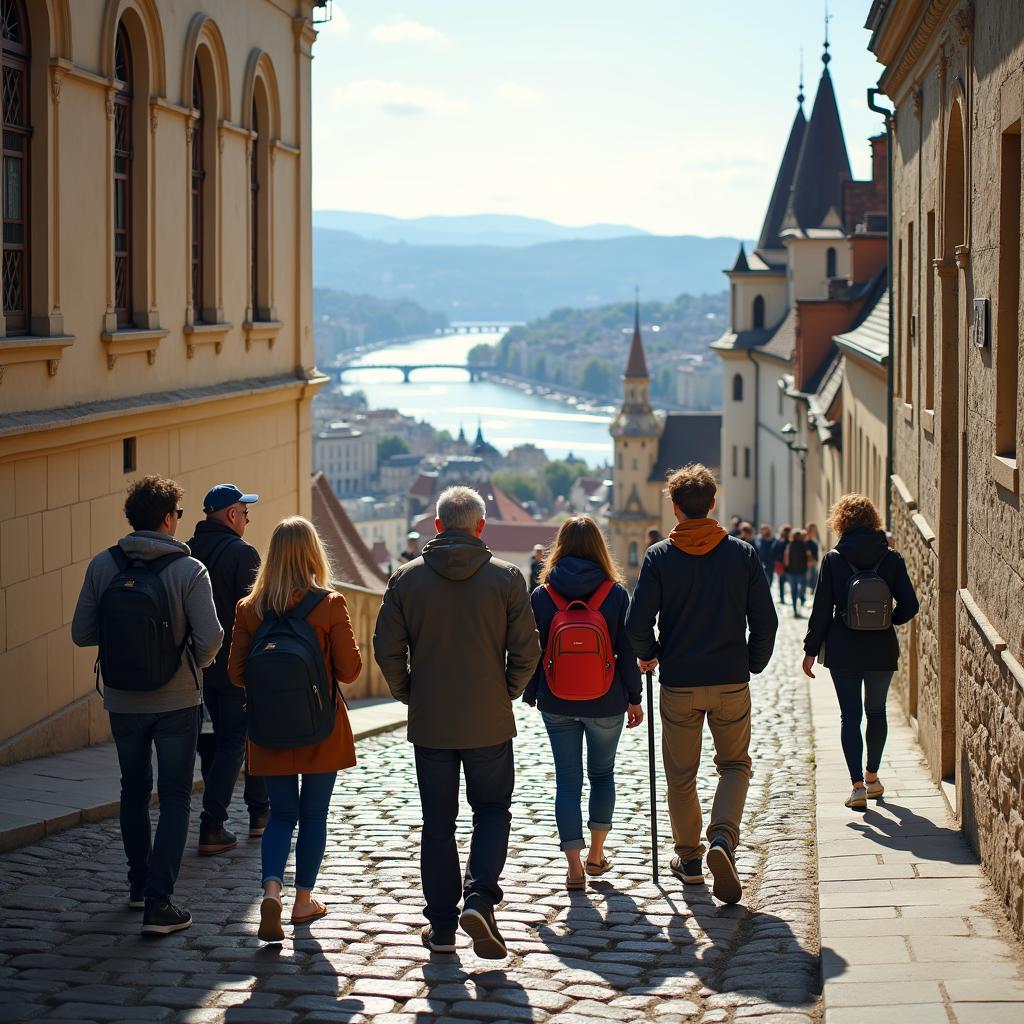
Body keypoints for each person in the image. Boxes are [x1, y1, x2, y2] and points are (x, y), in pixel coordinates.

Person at [373, 486, 540, 959]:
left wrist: (409, 691)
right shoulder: (507, 579)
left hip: (432, 722)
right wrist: (504, 690)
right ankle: (481, 899)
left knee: (437, 823)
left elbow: (386, 648)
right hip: (488, 720)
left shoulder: (406, 579)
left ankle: (443, 928)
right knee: (491, 811)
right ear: (481, 527)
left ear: (438, 526)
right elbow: (528, 651)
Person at [72, 475, 223, 935]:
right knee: (176, 795)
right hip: (177, 700)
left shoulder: (103, 566)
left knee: (133, 791)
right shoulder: (189, 570)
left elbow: (82, 633)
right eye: (178, 514)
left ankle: (138, 886)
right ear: (166, 519)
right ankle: (161, 901)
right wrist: (188, 665)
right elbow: (210, 638)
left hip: (122, 699)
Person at [626, 464, 778, 905]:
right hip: (730, 679)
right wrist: (753, 662)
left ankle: (691, 861)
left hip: (680, 683)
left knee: (681, 775)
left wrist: (648, 651)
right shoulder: (742, 554)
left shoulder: (658, 557)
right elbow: (764, 620)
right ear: (713, 504)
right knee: (734, 766)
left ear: (675, 508)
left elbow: (637, 621)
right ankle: (723, 841)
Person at [228, 516, 363, 942]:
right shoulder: (329, 604)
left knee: (281, 815)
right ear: (312, 553)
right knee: (314, 815)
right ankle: (304, 900)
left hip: (269, 730)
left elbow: (235, 674)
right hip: (321, 727)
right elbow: (351, 670)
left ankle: (272, 890)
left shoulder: (249, 609)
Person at [522, 516, 644, 890]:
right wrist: (634, 698)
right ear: (599, 547)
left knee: (567, 780)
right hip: (606, 700)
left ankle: (573, 866)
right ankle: (596, 854)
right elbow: (626, 651)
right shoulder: (615, 594)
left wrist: (531, 691)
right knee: (603, 775)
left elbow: (532, 650)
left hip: (557, 699)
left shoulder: (542, 595)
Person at [802, 495, 918, 811]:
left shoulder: (834, 559)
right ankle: (873, 777)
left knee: (850, 716)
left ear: (841, 522)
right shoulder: (891, 558)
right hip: (881, 649)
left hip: (843, 649)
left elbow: (822, 610)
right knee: (877, 712)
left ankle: (856, 788)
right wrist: (887, 621)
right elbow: (911, 605)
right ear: (873, 521)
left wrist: (810, 650)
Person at [187, 483, 269, 855]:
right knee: (239, 740)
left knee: (220, 741)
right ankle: (214, 824)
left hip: (196, 667)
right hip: (236, 666)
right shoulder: (242, 554)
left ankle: (259, 813)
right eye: (245, 512)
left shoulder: (188, 551)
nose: (248, 518)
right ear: (231, 515)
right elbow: (256, 614)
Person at [784, 529, 810, 617]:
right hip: (800, 571)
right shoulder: (803, 545)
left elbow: (786, 558)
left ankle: (795, 609)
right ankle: (796, 608)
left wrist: (786, 568)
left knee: (794, 591)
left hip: (793, 571)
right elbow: (807, 557)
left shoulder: (790, 545)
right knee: (799, 590)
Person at [773, 525, 792, 604]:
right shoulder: (780, 541)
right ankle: (782, 597)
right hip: (783, 564)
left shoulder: (789, 541)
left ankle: (784, 597)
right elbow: (774, 551)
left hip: (786, 564)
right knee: (783, 581)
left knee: (785, 581)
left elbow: (773, 551)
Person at [804, 522, 820, 591]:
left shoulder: (816, 538)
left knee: (814, 576)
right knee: (808, 577)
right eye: (812, 529)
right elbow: (807, 551)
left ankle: (812, 589)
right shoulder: (806, 538)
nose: (814, 530)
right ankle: (808, 590)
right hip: (809, 561)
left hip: (815, 560)